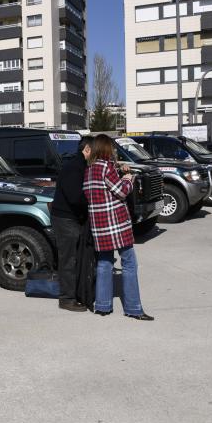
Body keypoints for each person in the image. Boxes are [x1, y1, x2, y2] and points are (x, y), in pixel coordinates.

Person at [83, 134, 153, 321]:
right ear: (107, 148)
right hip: (115, 223)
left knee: (104, 263)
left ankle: (103, 306)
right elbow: (121, 191)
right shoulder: (106, 166)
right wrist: (129, 178)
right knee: (129, 262)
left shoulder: (89, 169)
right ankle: (133, 308)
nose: (114, 150)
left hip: (99, 225)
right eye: (112, 147)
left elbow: (106, 189)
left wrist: (120, 170)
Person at [51, 136, 93, 312]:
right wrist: (93, 201)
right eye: (96, 152)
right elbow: (76, 198)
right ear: (87, 150)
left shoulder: (81, 166)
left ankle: (75, 293)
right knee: (68, 259)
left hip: (73, 218)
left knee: (74, 258)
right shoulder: (74, 168)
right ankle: (66, 299)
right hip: (65, 219)